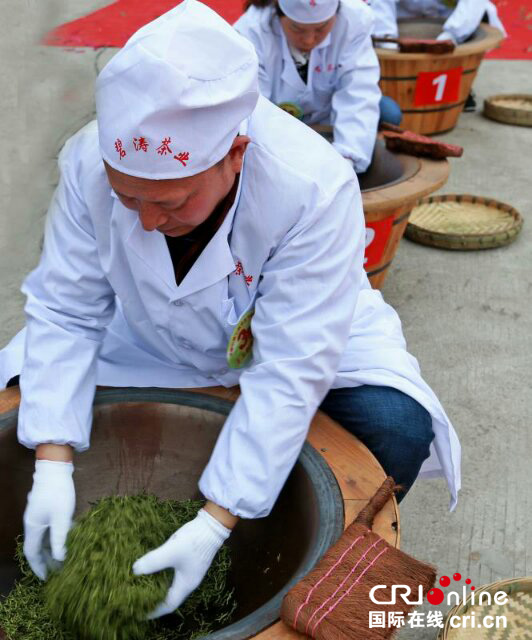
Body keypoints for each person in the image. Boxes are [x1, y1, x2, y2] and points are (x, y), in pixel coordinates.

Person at [0, 0, 460, 619]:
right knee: (24, 390)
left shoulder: (311, 185)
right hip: (145, 332)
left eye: (173, 202)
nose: (145, 221)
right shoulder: (87, 161)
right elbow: (68, 310)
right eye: (126, 196)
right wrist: (52, 462)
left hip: (301, 330)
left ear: (236, 153)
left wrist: (214, 524)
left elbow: (290, 365)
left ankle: (320, 574)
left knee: (397, 425)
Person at [235, 0, 402, 172]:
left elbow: (358, 91)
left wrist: (347, 158)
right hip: (279, 116)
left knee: (388, 112)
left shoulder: (354, 20)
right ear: (278, 13)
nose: (308, 40)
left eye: (321, 28)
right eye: (297, 28)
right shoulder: (251, 30)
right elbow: (255, 110)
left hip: (327, 113)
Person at [369, 0, 506, 45]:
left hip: (451, 20)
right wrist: (390, 44)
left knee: (483, 16)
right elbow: (381, 6)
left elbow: (472, 6)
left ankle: (464, 81)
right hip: (405, 18)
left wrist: (448, 38)